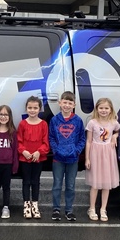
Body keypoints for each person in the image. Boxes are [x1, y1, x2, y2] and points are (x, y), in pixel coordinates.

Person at [49, 91, 86, 221]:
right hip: (58, 158)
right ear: (60, 103)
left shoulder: (78, 121)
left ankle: (69, 210)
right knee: (57, 184)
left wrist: (76, 151)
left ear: (74, 105)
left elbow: (82, 138)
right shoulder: (54, 120)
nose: (67, 105)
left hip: (72, 159)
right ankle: (56, 209)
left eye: (70, 103)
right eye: (64, 102)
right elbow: (51, 137)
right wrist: (55, 150)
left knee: (70, 185)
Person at [85, 97, 120, 222]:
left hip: (108, 154)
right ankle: (92, 208)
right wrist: (87, 158)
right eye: (101, 108)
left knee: (106, 183)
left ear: (110, 110)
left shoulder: (114, 122)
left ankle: (103, 209)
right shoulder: (92, 123)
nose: (103, 110)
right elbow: (88, 141)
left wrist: (115, 136)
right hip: (95, 153)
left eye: (106, 108)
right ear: (97, 109)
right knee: (95, 183)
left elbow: (118, 131)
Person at [17, 96, 49, 219]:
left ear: (39, 109)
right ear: (26, 109)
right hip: (25, 158)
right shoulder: (23, 124)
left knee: (35, 182)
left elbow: (45, 142)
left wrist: (39, 152)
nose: (32, 110)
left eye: (35, 108)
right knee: (26, 181)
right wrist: (23, 151)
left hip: (37, 158)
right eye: (30, 108)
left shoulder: (43, 124)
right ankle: (26, 205)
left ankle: (35, 205)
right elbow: (19, 141)